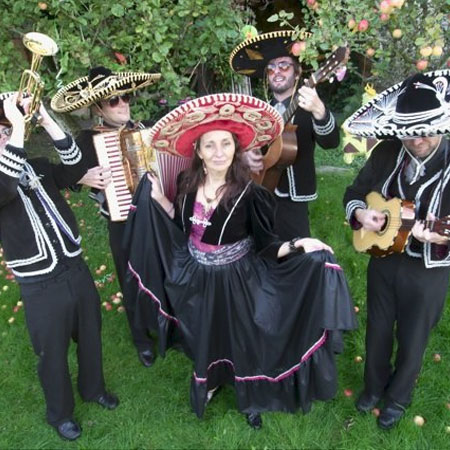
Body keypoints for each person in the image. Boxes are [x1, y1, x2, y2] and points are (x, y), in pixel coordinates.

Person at [123, 93, 356, 429]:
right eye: (210, 145)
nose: (219, 152)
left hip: (239, 279)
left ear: (235, 149)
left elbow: (265, 245)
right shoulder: (186, 185)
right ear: (199, 151)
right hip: (197, 277)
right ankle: (212, 380)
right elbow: (182, 226)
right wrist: (160, 198)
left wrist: (298, 243)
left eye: (226, 144)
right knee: (206, 332)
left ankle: (251, 395)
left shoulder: (250, 194)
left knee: (243, 339)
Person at [0, 92, 118, 441]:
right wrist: (19, 129)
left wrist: (46, 120)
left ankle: (93, 388)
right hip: (40, 283)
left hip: (74, 267)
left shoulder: (36, 165)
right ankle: (60, 413)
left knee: (90, 334)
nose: (5, 137)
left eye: (5, 132)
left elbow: (77, 169)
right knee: (51, 352)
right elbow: (5, 187)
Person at [343, 69, 450, 429]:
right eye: (408, 129)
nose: (416, 138)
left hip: (428, 269)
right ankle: (373, 387)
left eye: (424, 129)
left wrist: (442, 235)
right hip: (383, 257)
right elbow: (354, 193)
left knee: (413, 334)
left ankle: (399, 397)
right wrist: (361, 213)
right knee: (377, 326)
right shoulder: (389, 151)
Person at [51, 66, 161, 367]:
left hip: (157, 215)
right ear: (98, 108)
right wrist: (85, 176)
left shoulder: (146, 128)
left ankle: (165, 325)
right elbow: (66, 176)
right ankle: (141, 339)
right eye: (113, 101)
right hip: (121, 220)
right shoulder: (88, 140)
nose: (122, 103)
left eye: (124, 96)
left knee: (162, 269)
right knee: (130, 277)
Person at [229, 30, 340, 239]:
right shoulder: (261, 111)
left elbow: (331, 142)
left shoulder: (308, 106)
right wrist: (245, 156)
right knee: (261, 248)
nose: (277, 72)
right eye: (270, 69)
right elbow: (247, 144)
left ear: (297, 72)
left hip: (293, 199)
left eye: (284, 66)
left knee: (295, 256)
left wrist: (320, 111)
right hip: (260, 191)